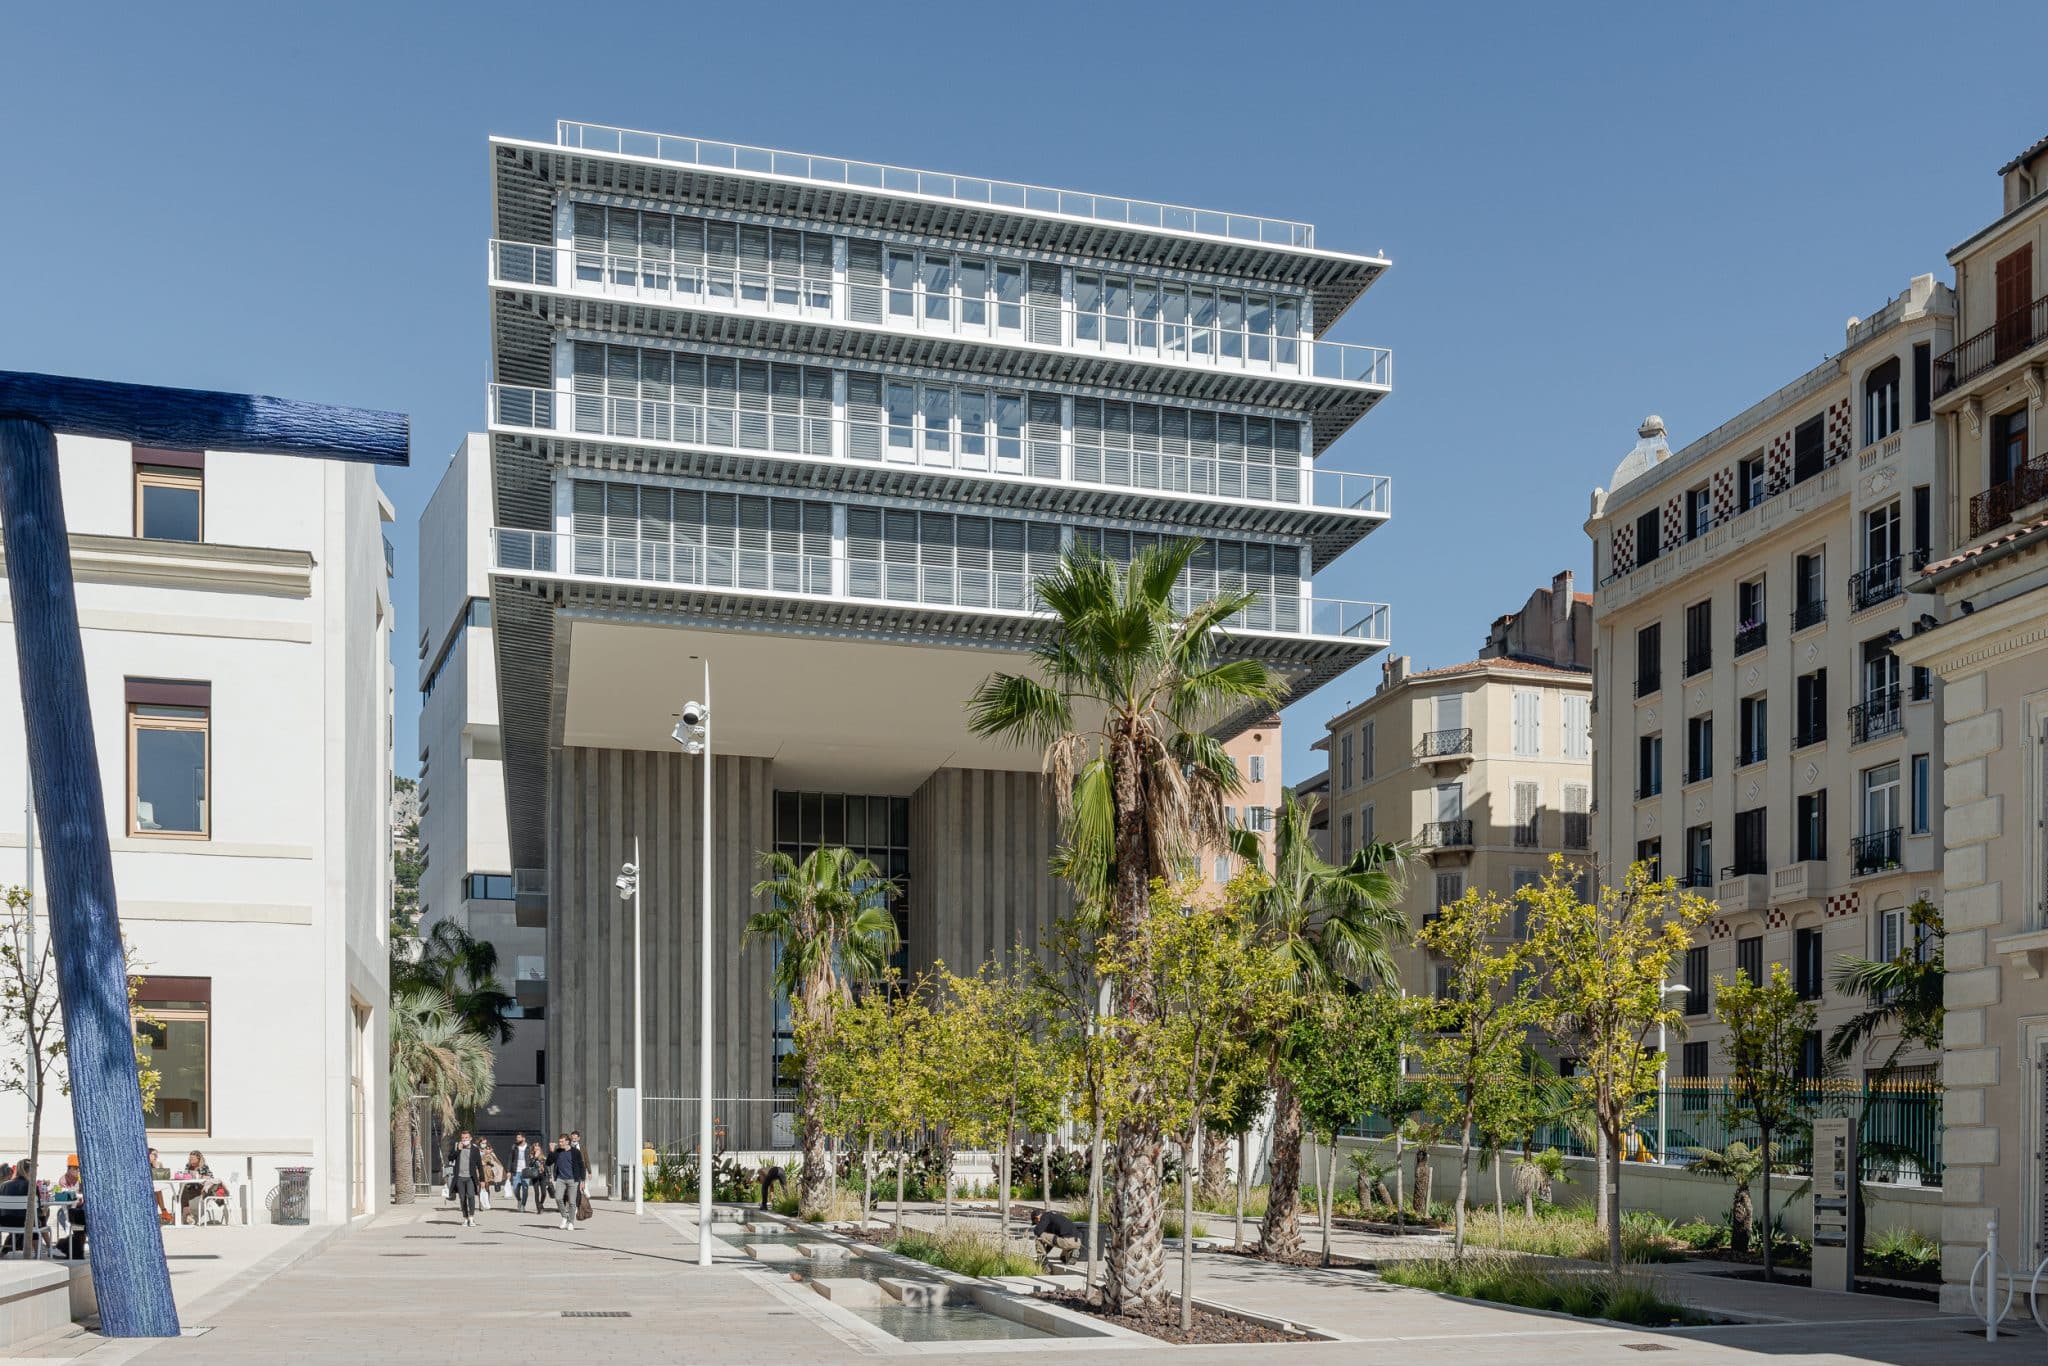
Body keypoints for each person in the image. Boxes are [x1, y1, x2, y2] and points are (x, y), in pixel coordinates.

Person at [550, 1134, 586, 1232]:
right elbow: (548, 1162)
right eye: (559, 1141)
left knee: (572, 1202)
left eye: (561, 1141)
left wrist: (582, 1180)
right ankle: (564, 1216)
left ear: (567, 1142)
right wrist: (552, 1151)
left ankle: (571, 1222)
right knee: (558, 1198)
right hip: (561, 1179)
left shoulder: (575, 1152)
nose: (559, 1143)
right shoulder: (557, 1152)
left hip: (573, 1180)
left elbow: (581, 1166)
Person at [448, 1131, 481, 1228]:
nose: (464, 1140)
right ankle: (465, 1218)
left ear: (470, 1138)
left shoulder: (475, 1149)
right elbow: (450, 1158)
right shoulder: (457, 1147)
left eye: (466, 1138)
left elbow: (479, 1165)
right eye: (463, 1138)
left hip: (470, 1177)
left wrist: (482, 1180)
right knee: (462, 1198)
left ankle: (471, 1218)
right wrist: (458, 1150)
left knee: (471, 1196)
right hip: (459, 1177)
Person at [0, 1161, 33, 1256]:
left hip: (4, 1221)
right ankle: (40, 1250)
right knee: (37, 1219)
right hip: (25, 1223)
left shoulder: (3, 1186)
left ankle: (6, 1250)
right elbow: (38, 1209)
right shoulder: (30, 1186)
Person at [178, 1152, 212, 1227]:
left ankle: (188, 1215)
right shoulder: (188, 1166)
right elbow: (185, 1176)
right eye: (190, 1158)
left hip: (199, 1189)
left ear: (198, 1159)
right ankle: (187, 1214)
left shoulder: (204, 1167)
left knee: (182, 1192)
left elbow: (210, 1178)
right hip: (190, 1188)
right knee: (182, 1187)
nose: (190, 1160)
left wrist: (201, 1176)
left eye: (192, 1159)